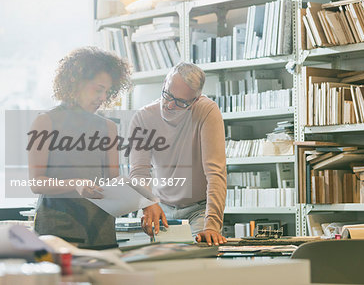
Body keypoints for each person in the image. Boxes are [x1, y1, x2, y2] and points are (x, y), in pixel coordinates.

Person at [28, 47, 131, 249]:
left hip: (101, 230)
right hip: (59, 230)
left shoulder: (108, 127)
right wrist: (76, 183)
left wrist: (144, 200)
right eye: (98, 89)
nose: (103, 97)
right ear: (76, 83)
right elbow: (36, 183)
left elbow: (112, 181)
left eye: (107, 92)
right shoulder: (45, 122)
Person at [129, 62, 227, 246]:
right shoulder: (143, 117)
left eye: (181, 102)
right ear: (164, 84)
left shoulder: (207, 111)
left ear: (195, 100)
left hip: (198, 209)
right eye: (168, 95)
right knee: (161, 268)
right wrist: (148, 203)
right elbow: (139, 172)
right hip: (160, 207)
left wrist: (212, 225)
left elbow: (216, 173)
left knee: (199, 264)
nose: (170, 105)